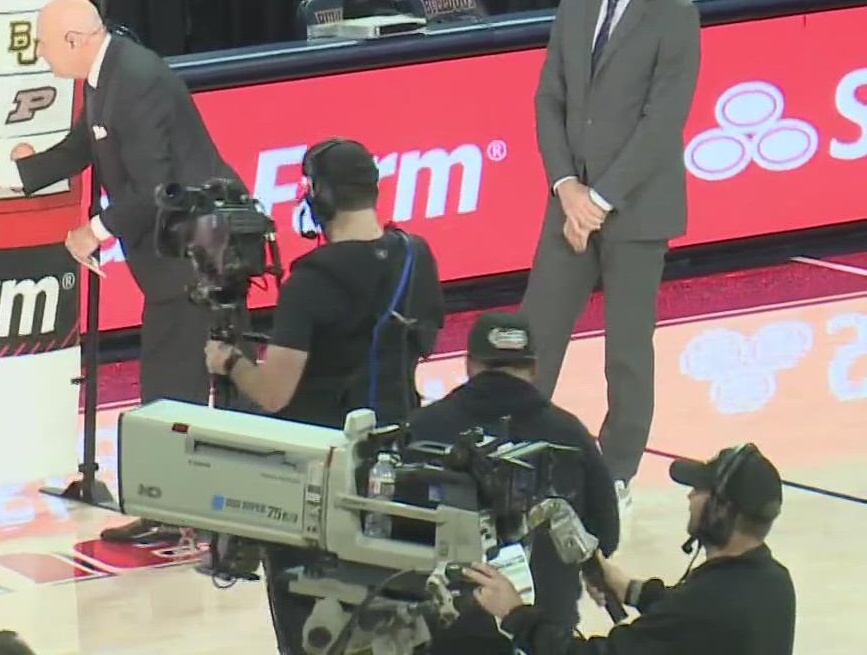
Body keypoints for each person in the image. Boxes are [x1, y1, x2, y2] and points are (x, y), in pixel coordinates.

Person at [0, 0, 238, 547]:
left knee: (173, 385)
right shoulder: (107, 75)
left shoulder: (136, 80)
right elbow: (77, 149)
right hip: (174, 253)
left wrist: (93, 231)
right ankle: (169, 507)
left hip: (193, 253)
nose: (40, 51)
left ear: (76, 41)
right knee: (166, 383)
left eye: (45, 41)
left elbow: (156, 188)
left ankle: (183, 513)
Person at [202, 136, 442, 655]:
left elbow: (273, 392)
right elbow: (424, 340)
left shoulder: (311, 281)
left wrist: (229, 361)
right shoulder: (416, 256)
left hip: (319, 476)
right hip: (400, 458)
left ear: (321, 198)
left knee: (311, 627)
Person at [520, 0, 701, 512]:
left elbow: (662, 123)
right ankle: (515, 453)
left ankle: (617, 470)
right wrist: (567, 188)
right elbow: (550, 100)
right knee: (533, 333)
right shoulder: (574, 6)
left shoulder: (675, 16)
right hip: (570, 204)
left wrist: (599, 198)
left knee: (626, 349)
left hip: (635, 209)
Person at [411, 312, 620, 655]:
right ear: (533, 368)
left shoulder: (420, 429)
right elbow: (605, 536)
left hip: (443, 632)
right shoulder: (571, 434)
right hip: (541, 634)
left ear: (469, 364)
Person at [465, 444, 796, 654]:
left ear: (721, 511)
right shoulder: (773, 583)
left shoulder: (705, 606)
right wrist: (631, 590)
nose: (690, 497)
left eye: (699, 490)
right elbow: (689, 624)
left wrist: (515, 614)